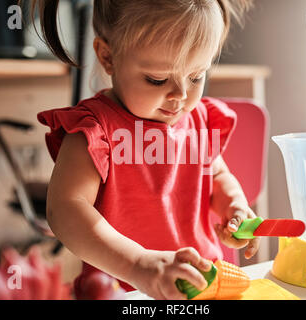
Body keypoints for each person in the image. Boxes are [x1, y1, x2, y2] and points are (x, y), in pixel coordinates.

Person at [30, 0, 259, 300]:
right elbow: (65, 210)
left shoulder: (199, 119)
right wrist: (138, 265)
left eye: (196, 77)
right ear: (108, 56)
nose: (180, 96)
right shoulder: (95, 130)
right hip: (125, 292)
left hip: (202, 287)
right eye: (157, 79)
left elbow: (218, 177)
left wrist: (235, 207)